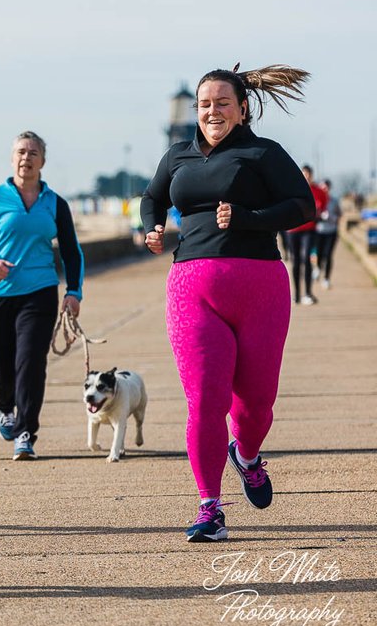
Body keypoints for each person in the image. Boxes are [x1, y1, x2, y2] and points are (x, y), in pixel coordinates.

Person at [140, 64, 313, 542]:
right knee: (204, 402)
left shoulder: (263, 153)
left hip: (261, 288)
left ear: (242, 108)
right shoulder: (177, 156)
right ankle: (209, 506)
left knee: (256, 405)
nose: (211, 111)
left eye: (221, 103)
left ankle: (249, 455)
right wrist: (151, 227)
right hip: (191, 288)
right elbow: (151, 198)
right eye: (203, 104)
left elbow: (302, 206)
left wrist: (250, 217)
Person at [0, 131, 84, 461]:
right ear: (12, 159)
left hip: (40, 292)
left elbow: (71, 251)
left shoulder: (55, 203)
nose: (26, 158)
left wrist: (74, 291)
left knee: (31, 363)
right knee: (2, 367)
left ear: (43, 162)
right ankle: (4, 406)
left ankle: (25, 432)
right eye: (21, 152)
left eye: (33, 152)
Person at [287, 164, 326, 304]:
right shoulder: (292, 189)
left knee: (307, 259)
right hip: (293, 230)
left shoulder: (318, 191)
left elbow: (323, 205)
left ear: (312, 175)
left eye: (309, 174)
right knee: (295, 261)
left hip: (309, 229)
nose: (307, 177)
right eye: (304, 174)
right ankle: (297, 294)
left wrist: (319, 213)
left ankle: (308, 293)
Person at [315, 178, 341, 289]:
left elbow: (339, 215)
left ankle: (326, 279)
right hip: (319, 231)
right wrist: (319, 215)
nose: (324, 190)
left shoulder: (334, 201)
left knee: (328, 255)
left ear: (329, 188)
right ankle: (318, 268)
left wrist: (330, 217)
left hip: (331, 231)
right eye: (322, 188)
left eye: (325, 188)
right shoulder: (316, 200)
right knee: (319, 254)